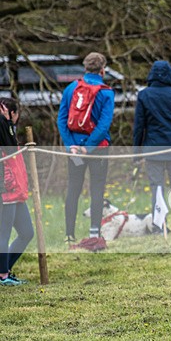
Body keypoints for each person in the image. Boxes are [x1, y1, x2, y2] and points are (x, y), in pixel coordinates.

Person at [57, 52, 115, 249]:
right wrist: (88, 147)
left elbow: (62, 119)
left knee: (73, 188)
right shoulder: (106, 92)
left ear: (85, 68)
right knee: (97, 189)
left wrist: (70, 145)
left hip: (74, 149)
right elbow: (104, 125)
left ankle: (69, 235)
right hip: (97, 149)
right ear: (102, 70)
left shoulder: (71, 88)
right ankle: (94, 233)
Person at [133, 60, 171, 234]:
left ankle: (159, 226)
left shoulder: (144, 95)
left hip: (153, 150)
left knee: (157, 188)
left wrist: (136, 153)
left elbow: (139, 127)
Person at [0, 98, 34, 285]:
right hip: (7, 191)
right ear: (11, 113)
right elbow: (10, 148)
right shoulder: (4, 128)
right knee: (3, 234)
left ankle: (4, 268)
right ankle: (2, 275)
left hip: (17, 193)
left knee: (27, 232)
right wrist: (6, 122)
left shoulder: (7, 129)